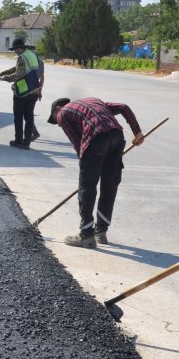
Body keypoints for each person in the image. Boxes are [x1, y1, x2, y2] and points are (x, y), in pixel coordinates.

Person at [47, 96, 145, 248]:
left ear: (57, 109)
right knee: (109, 185)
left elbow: (77, 143)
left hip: (96, 139)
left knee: (87, 188)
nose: (59, 124)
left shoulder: (63, 113)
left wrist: (86, 174)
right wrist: (137, 132)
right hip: (117, 137)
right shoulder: (94, 101)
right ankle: (101, 231)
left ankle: (86, 234)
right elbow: (124, 107)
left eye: (56, 121)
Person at [0, 38, 44, 148]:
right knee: (29, 117)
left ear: (19, 48)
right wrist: (1, 73)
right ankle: (26, 143)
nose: (14, 51)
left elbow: (18, 74)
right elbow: (17, 68)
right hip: (34, 91)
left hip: (23, 92)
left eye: (15, 49)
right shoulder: (31, 55)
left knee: (18, 117)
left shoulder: (22, 57)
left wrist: (2, 78)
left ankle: (18, 141)